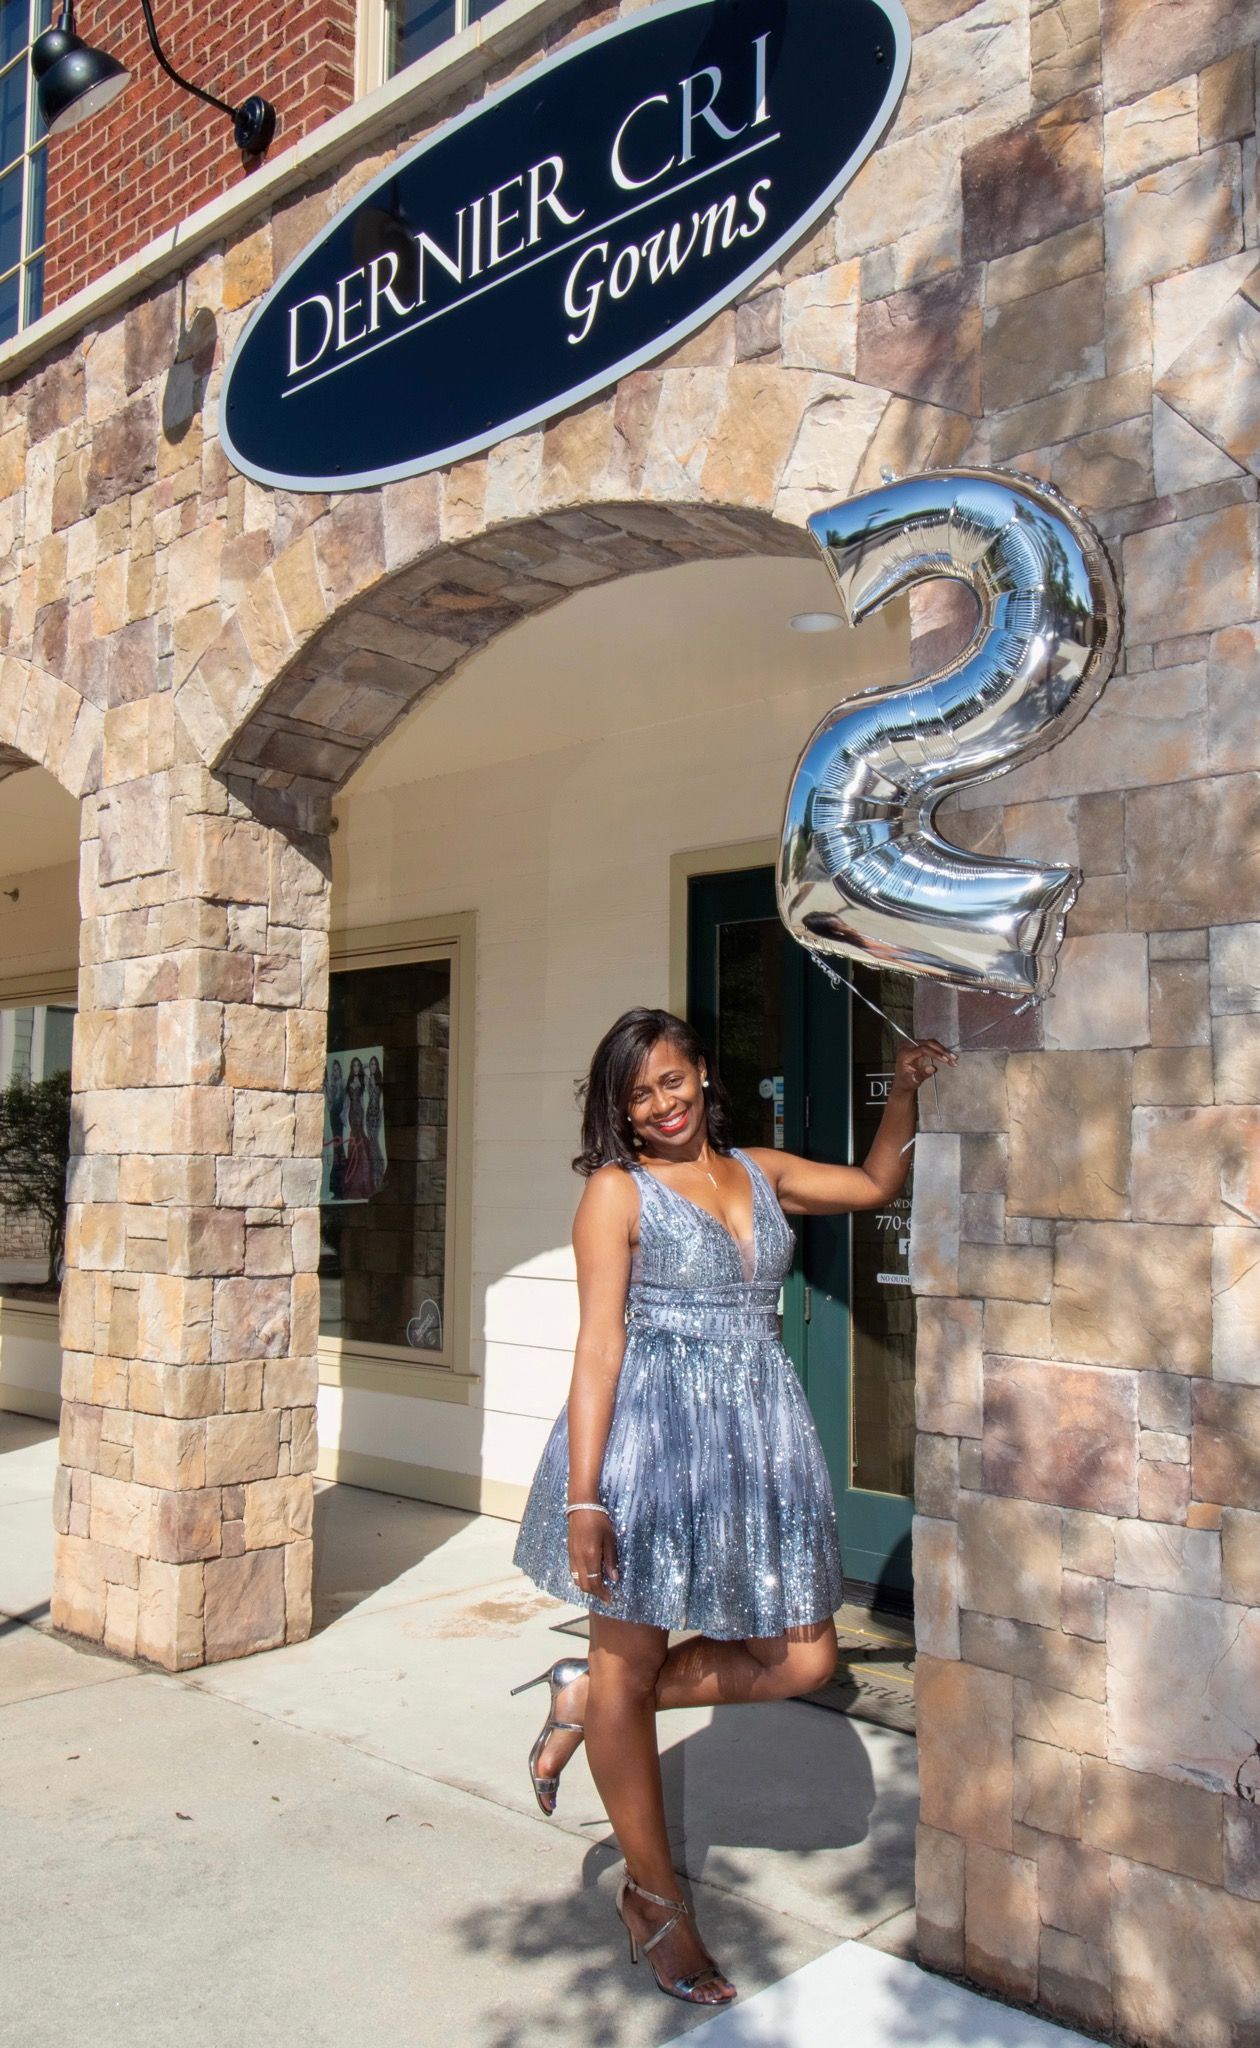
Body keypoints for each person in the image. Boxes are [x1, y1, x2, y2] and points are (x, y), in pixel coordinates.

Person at [512, 1006, 954, 2007]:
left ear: (703, 1073)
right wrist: (588, 1493)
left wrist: (910, 1088)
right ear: (618, 1109)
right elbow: (597, 1348)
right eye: (640, 1093)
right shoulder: (615, 1193)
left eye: (673, 1080)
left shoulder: (760, 1167)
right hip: (649, 1447)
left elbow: (878, 1182)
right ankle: (657, 1901)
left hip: (758, 1437)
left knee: (803, 1657)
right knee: (633, 1658)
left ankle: (587, 1697)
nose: (662, 1104)